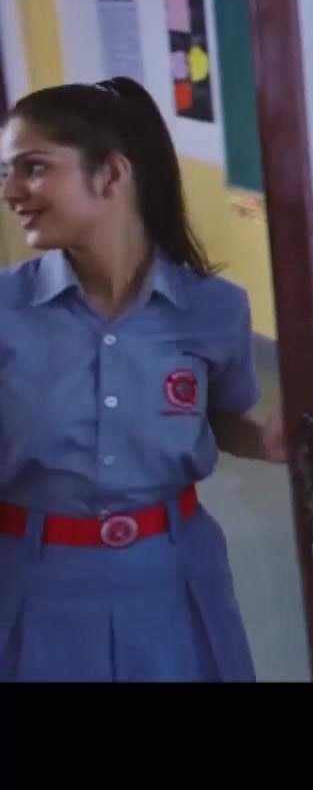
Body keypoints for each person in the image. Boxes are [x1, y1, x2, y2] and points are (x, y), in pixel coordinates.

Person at [1, 77, 286, 682]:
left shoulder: (213, 309)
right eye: (7, 172)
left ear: (110, 174)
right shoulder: (6, 311)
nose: (11, 192)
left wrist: (266, 440)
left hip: (174, 583)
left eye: (33, 168)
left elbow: (219, 419)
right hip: (34, 585)